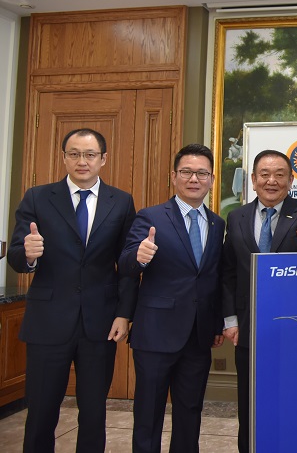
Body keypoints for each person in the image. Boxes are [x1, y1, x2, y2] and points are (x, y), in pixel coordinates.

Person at [7, 128, 136, 453]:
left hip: (100, 323)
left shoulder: (121, 202)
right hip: (48, 322)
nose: (82, 161)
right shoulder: (37, 197)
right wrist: (29, 255)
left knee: (93, 414)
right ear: (64, 157)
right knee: (40, 413)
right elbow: (17, 256)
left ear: (103, 159)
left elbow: (126, 265)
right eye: (74, 154)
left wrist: (124, 313)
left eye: (90, 154)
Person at [119, 143, 226, 453]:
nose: (194, 179)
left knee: (190, 411)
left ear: (212, 179)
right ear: (174, 176)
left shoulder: (217, 223)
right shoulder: (150, 216)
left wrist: (215, 323)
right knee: (148, 412)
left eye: (202, 173)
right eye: (187, 172)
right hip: (156, 333)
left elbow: (213, 277)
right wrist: (138, 257)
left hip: (198, 335)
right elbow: (125, 264)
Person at [221, 150, 297, 452]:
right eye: (264, 174)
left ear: (291, 180)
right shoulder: (236, 217)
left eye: (280, 174)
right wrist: (230, 320)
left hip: (293, 326)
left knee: (292, 401)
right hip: (248, 328)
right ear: (253, 180)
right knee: (249, 404)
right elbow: (227, 272)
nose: (272, 181)